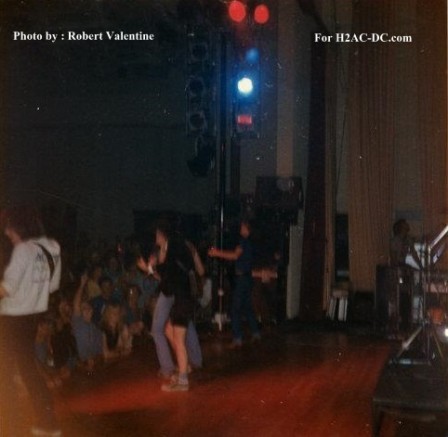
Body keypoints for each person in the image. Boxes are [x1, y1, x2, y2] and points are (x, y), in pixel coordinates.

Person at [0, 205, 62, 437]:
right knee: (27, 371)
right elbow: (52, 286)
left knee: (7, 372)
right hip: (32, 316)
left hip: (12, 320)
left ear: (19, 226)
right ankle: (48, 423)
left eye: (9, 227)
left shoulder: (23, 250)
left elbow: (6, 289)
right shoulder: (51, 248)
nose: (7, 232)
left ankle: (12, 424)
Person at [137, 220, 203, 390]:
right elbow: (176, 275)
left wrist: (149, 269)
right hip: (179, 295)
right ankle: (183, 370)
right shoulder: (175, 247)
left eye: (157, 234)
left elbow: (167, 276)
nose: (156, 237)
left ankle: (182, 376)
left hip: (178, 296)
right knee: (173, 333)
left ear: (163, 234)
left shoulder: (172, 249)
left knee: (177, 337)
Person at [208, 219, 260, 348]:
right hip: (247, 278)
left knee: (235, 309)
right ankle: (255, 332)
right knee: (247, 306)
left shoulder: (244, 242)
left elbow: (235, 256)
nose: (240, 229)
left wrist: (217, 253)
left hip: (243, 278)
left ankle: (237, 338)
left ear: (247, 229)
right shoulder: (250, 242)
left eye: (242, 227)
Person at [72, 273, 103, 373]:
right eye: (83, 309)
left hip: (94, 365)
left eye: (88, 307)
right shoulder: (79, 323)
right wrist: (82, 285)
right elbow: (76, 305)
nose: (87, 310)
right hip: (80, 366)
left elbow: (100, 351)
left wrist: (94, 360)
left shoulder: (95, 328)